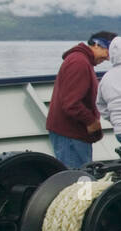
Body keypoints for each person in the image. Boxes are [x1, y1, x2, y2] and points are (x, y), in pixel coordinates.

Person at [46, 31, 115, 168]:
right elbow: (71, 103)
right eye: (108, 50)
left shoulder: (80, 60)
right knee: (77, 180)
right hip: (70, 134)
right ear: (96, 44)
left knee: (78, 176)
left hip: (71, 132)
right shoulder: (79, 62)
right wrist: (91, 122)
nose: (108, 58)